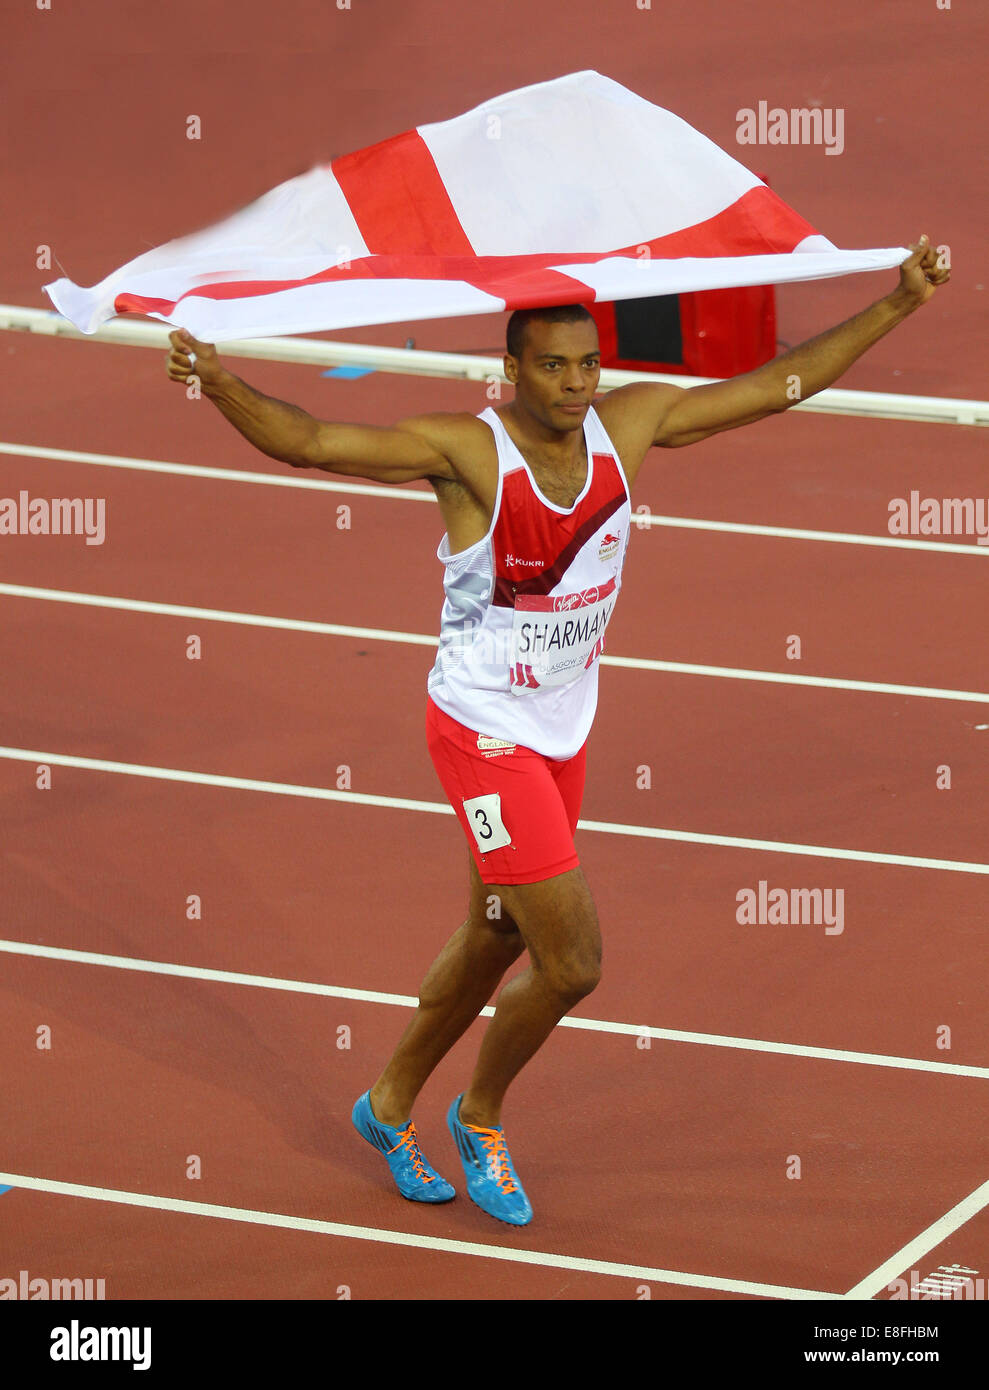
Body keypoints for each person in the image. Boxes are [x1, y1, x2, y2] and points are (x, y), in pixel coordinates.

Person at [166, 237, 948, 1225]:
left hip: (562, 725)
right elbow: (313, 442)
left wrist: (896, 304)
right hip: (481, 729)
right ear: (511, 369)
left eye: (586, 363)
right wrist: (220, 380)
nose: (575, 384)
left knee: (496, 936)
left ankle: (385, 1104)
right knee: (573, 962)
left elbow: (774, 385)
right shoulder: (465, 454)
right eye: (551, 365)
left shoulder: (630, 424)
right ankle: (479, 1112)